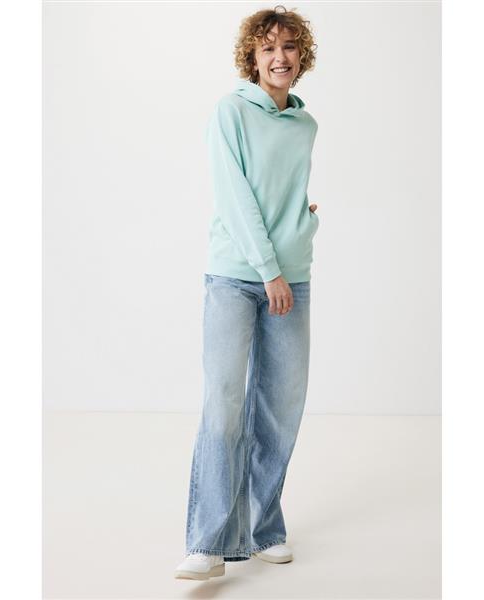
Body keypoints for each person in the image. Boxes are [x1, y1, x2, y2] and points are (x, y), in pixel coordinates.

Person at [175, 5, 319, 580]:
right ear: (252, 58)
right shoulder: (230, 111)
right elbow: (235, 196)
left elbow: (284, 193)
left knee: (280, 408)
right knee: (225, 405)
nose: (279, 57)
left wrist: (303, 223)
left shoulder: (306, 126)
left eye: (289, 47)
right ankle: (208, 544)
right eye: (268, 48)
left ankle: (264, 528)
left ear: (301, 56)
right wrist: (268, 268)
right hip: (237, 276)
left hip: (293, 276)